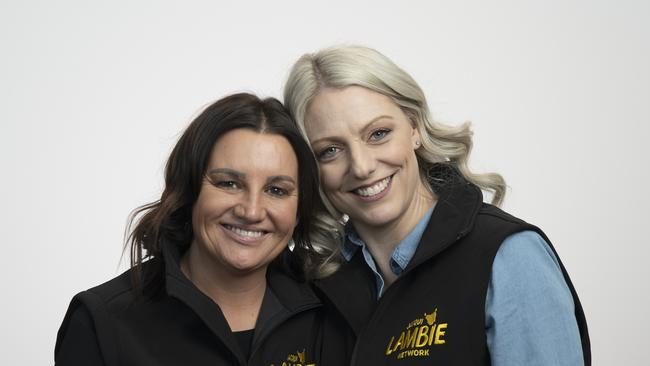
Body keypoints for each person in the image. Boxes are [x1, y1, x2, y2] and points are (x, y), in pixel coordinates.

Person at [284, 45, 591, 365]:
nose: (361, 166)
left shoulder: (508, 256)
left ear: (414, 127)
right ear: (310, 167)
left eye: (378, 133)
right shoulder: (313, 279)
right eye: (330, 151)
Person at [54, 93, 353, 366]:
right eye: (228, 183)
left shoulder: (334, 309)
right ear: (189, 190)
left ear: (299, 210)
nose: (251, 211)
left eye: (276, 190)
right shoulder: (103, 321)